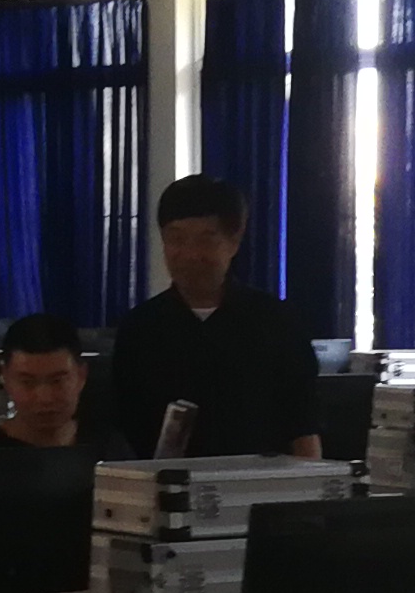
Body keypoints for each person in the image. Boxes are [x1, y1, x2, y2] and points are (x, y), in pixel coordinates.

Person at [106, 174, 322, 460]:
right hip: (164, 482)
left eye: (206, 240)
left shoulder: (276, 322)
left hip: (259, 482)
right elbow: (122, 433)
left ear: (235, 241)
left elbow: (303, 429)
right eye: (177, 239)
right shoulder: (140, 329)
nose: (191, 254)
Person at [0, 313, 128, 455]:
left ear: (81, 376)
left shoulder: (112, 452)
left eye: (57, 381)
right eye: (28, 382)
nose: (45, 398)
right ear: (5, 378)